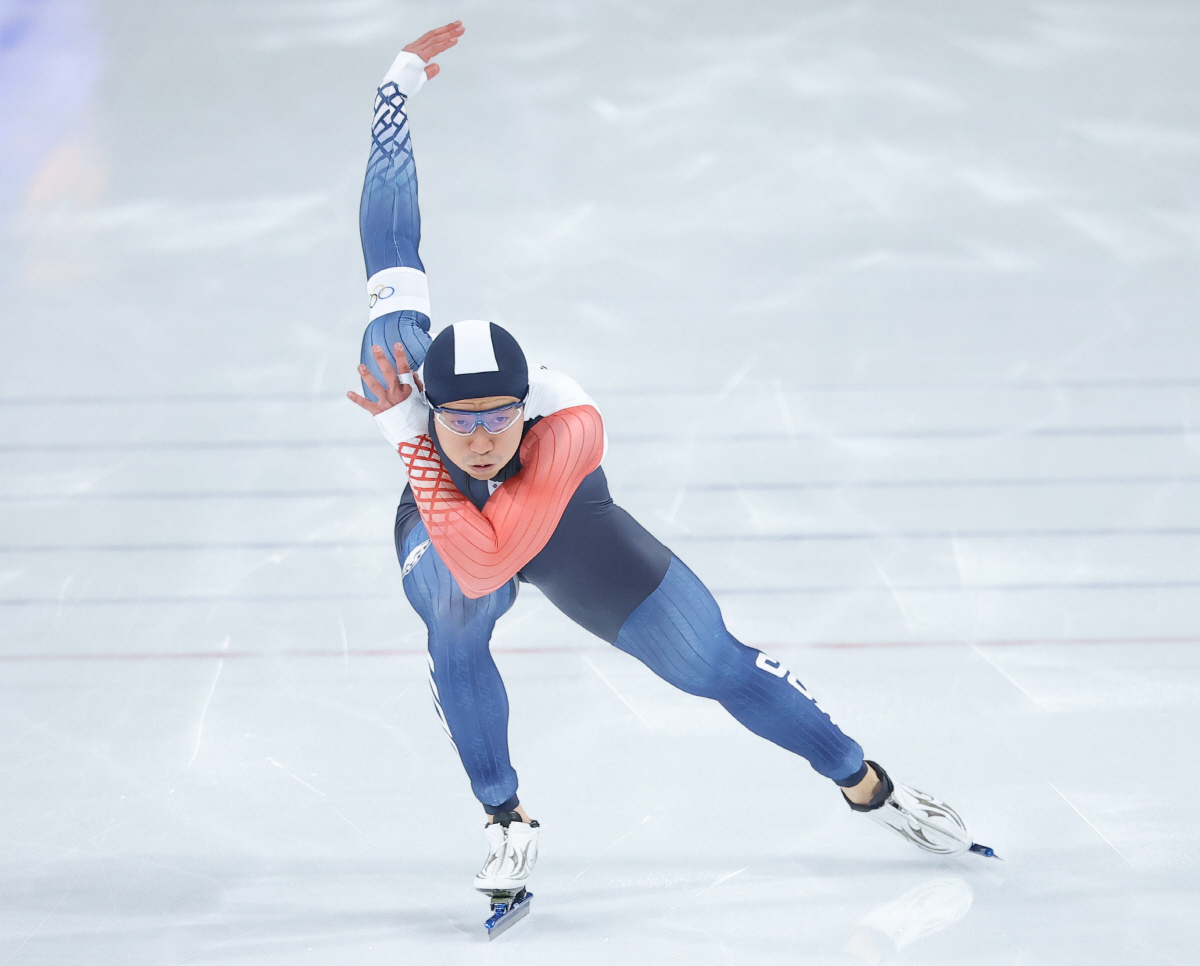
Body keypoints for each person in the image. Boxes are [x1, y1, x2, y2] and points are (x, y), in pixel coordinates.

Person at [347, 23, 991, 902]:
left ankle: (870, 787)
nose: (482, 435)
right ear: (431, 393)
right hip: (447, 519)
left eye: (499, 415)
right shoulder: (398, 360)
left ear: (525, 404)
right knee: (454, 623)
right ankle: (506, 820)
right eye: (460, 419)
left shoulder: (566, 430)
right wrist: (395, 91)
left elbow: (494, 551)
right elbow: (392, 241)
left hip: (561, 527)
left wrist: (410, 440)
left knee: (715, 665)